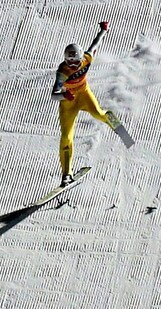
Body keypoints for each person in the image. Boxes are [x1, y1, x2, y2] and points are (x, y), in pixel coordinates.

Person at [51, 21, 122, 187]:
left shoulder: (86, 58)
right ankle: (66, 174)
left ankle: (117, 126)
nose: (73, 66)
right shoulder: (62, 72)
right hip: (68, 102)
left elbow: (95, 43)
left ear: (80, 58)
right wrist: (64, 95)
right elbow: (53, 95)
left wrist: (104, 30)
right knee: (66, 137)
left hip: (83, 94)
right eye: (70, 63)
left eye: (75, 63)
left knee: (98, 113)